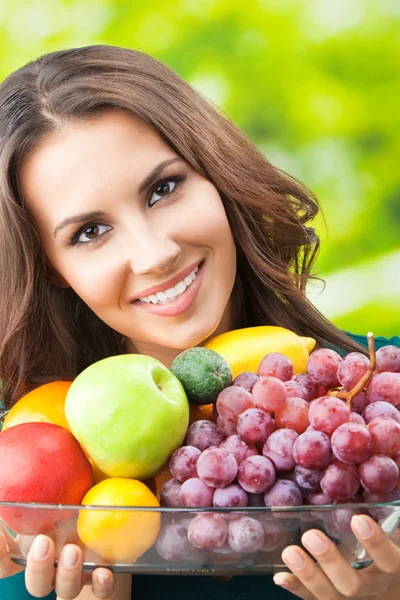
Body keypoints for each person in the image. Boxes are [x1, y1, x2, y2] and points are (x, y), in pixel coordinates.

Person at [0, 44, 399, 600]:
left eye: (163, 189)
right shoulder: (25, 507)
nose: (155, 253)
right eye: (89, 232)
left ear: (218, 176)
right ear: (52, 269)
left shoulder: (374, 406)